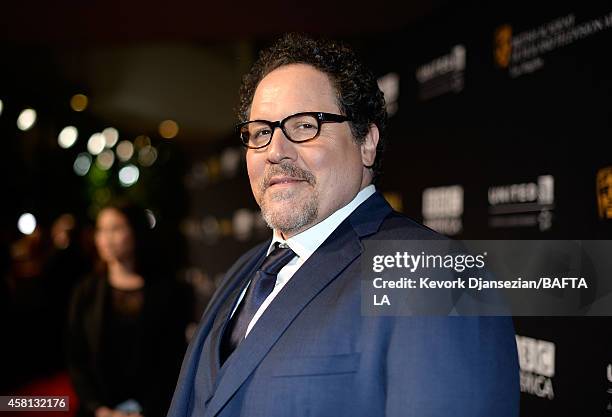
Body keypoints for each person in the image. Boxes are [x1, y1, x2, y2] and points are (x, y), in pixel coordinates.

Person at [168, 33, 519, 417]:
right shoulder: (245, 270)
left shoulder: (433, 275)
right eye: (261, 132)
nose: (275, 151)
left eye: (303, 126)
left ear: (366, 142)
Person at [68, 201, 192, 417]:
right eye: (101, 230)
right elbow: (76, 356)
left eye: (115, 229)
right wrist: (98, 408)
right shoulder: (85, 292)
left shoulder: (166, 291)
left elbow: (172, 359)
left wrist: (148, 409)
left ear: (135, 231)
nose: (106, 238)